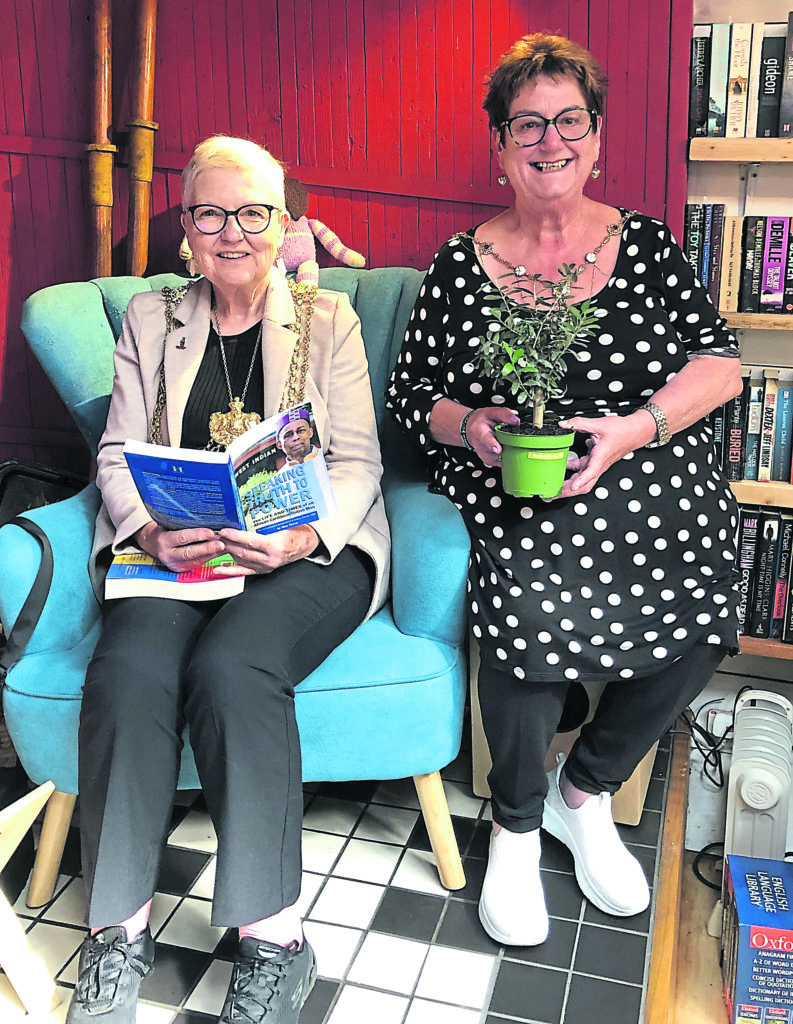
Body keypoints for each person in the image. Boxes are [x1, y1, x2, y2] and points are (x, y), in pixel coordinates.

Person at [386, 33, 743, 948]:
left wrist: (633, 429)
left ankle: (579, 791)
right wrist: (470, 425)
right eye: (527, 123)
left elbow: (720, 365)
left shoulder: (650, 246)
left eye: (569, 120)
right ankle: (511, 824)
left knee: (705, 602)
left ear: (598, 138)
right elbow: (411, 394)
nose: (550, 139)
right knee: (528, 603)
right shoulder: (463, 264)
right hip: (518, 474)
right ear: (500, 146)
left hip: (643, 463)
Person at [67, 135, 389, 1024]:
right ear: (186, 229)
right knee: (127, 673)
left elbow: (359, 465)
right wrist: (145, 527)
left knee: (233, 669)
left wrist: (300, 538)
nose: (232, 232)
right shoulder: (151, 317)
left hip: (307, 553)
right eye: (211, 213)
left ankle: (275, 940)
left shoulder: (329, 322)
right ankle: (117, 930)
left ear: (281, 223)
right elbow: (118, 453)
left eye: (252, 213)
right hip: (178, 548)